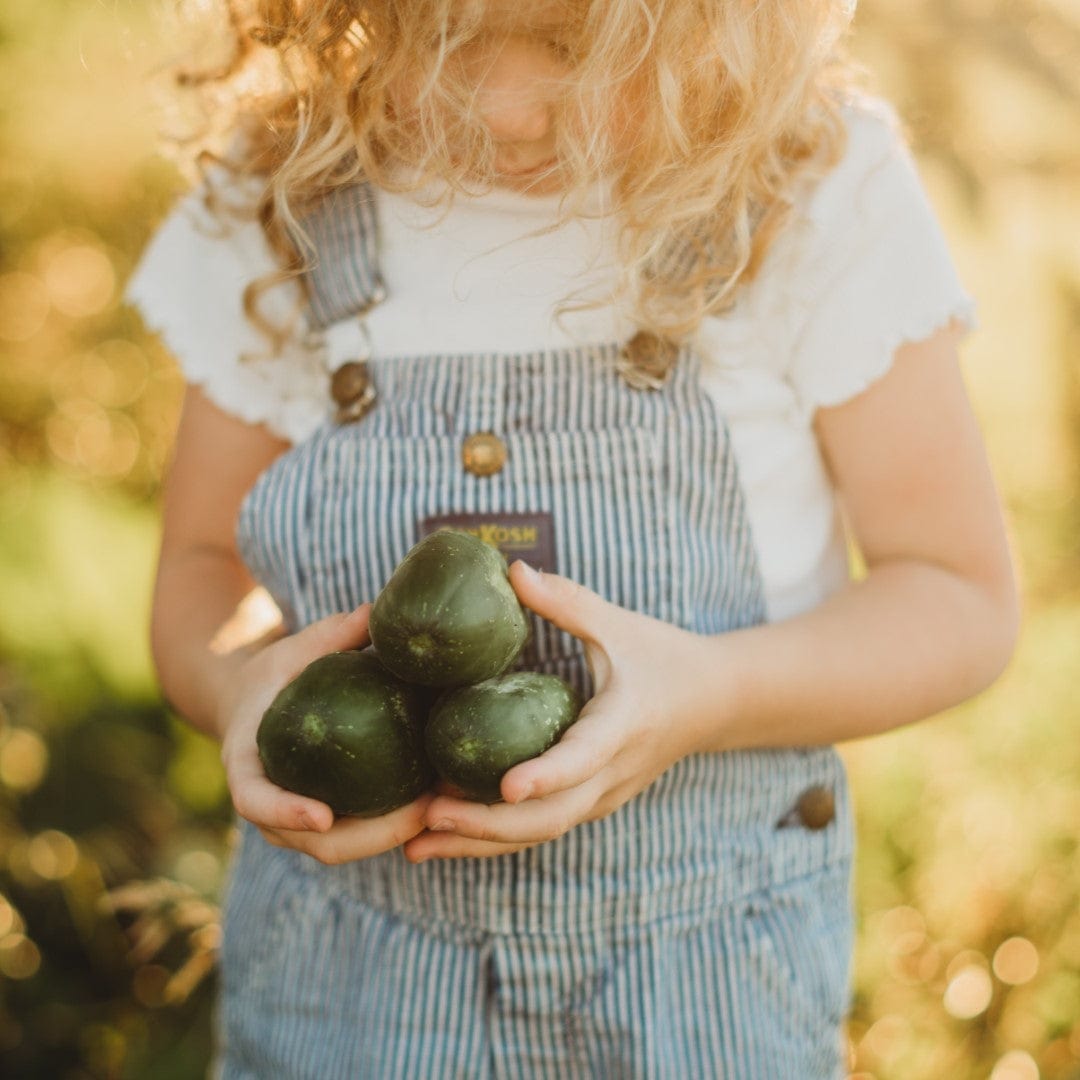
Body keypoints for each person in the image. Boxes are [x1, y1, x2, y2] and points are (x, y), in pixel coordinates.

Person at [127, 0, 1019, 1076]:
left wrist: (713, 693)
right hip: (346, 994)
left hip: (701, 998)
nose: (509, 111)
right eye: (444, 39)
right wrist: (234, 691)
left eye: (577, 46)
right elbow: (198, 569)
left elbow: (958, 593)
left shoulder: (808, 183)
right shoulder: (283, 197)